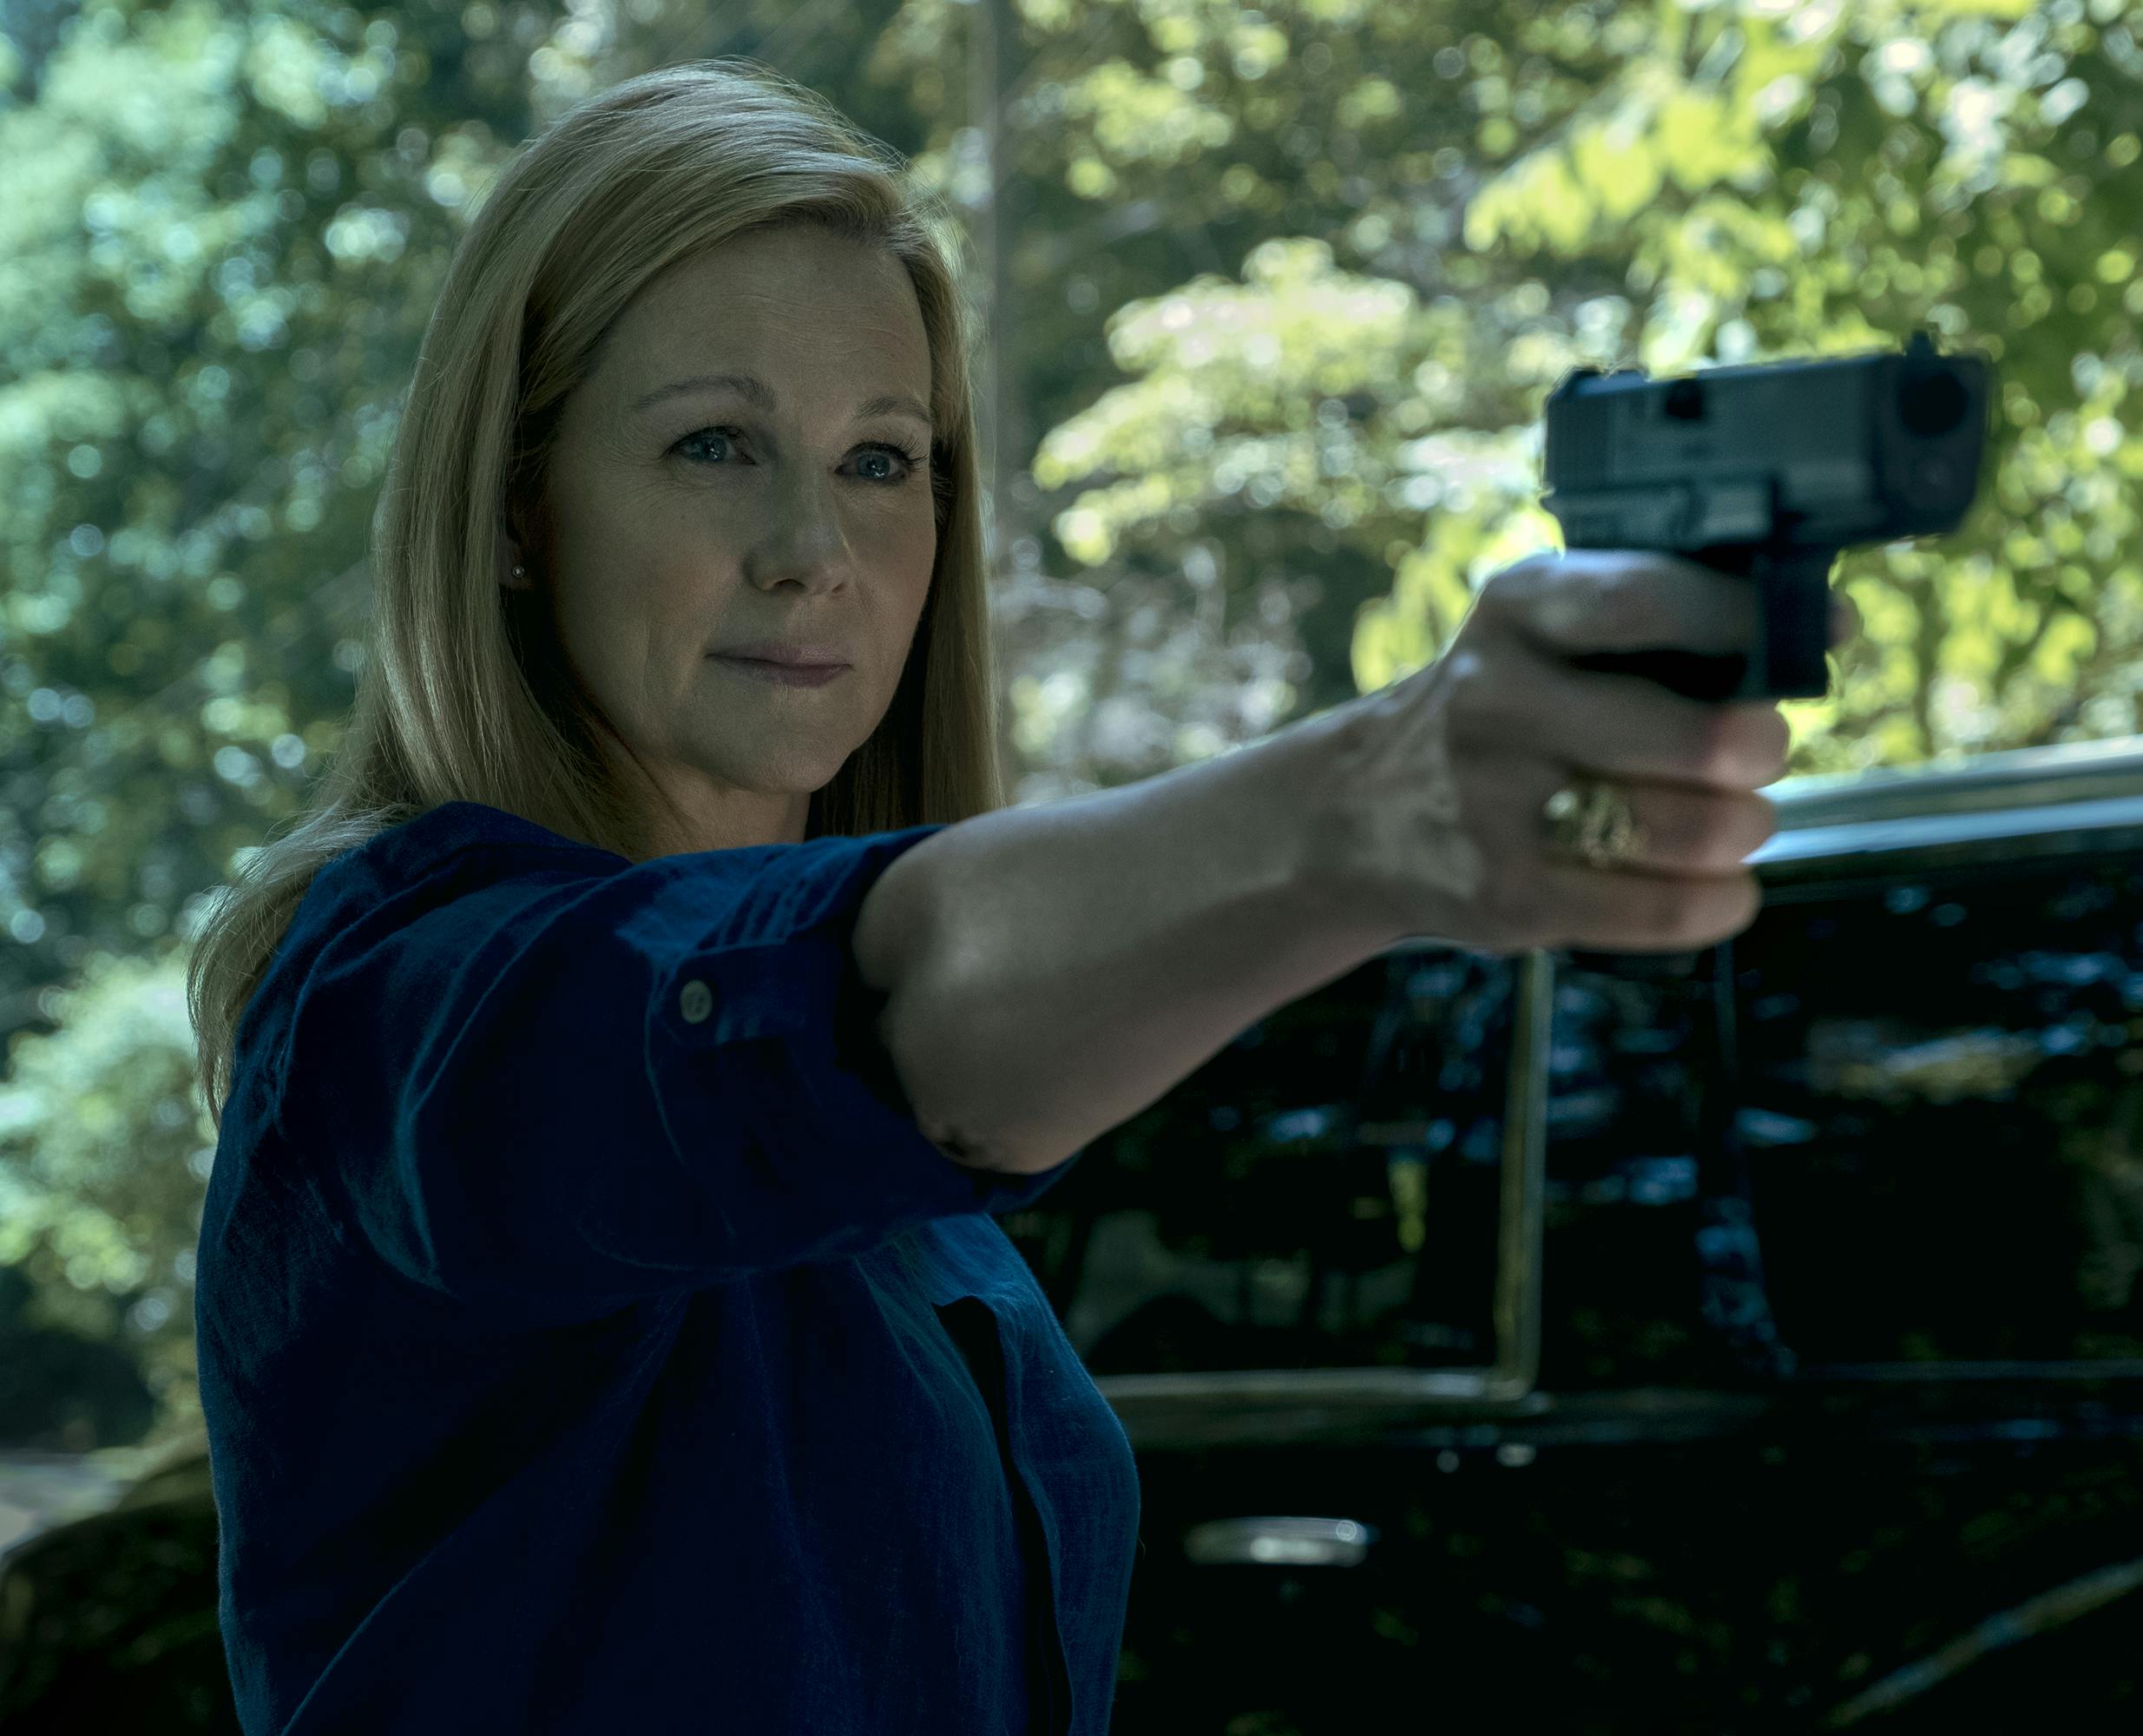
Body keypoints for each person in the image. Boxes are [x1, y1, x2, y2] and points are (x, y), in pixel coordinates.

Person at [184, 57, 1810, 1736]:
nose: (813, 544)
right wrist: (1373, 809)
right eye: (714, 443)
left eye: (882, 461)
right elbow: (801, 1012)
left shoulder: (912, 1188)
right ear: (519, 510)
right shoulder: (393, 1007)